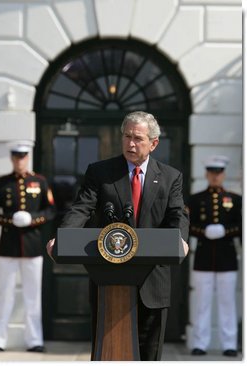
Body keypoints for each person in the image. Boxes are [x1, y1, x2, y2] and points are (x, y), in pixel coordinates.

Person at [47, 111, 189, 361]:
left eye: (138, 138)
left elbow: (178, 215)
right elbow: (82, 208)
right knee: (108, 350)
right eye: (126, 136)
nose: (131, 143)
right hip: (109, 277)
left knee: (148, 353)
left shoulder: (170, 177)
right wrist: (64, 238)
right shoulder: (100, 172)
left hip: (152, 280)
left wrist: (182, 241)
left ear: (153, 143)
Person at [0, 141, 55, 353]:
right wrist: (11, 221)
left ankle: (34, 340)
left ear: (28, 158)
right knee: (5, 295)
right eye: (16, 157)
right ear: (11, 159)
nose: (20, 161)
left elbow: (50, 211)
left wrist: (32, 219)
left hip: (32, 246)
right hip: (8, 247)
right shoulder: (1, 183)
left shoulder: (39, 181)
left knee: (33, 295)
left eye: (23, 157)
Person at [188, 155, 242, 357]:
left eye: (218, 173)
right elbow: (189, 226)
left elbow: (240, 226)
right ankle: (200, 343)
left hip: (227, 257)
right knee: (202, 302)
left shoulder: (235, 200)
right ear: (206, 174)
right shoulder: (195, 199)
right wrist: (204, 231)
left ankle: (229, 344)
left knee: (227, 302)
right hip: (203, 257)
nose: (215, 176)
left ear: (223, 174)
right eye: (211, 173)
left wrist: (225, 231)